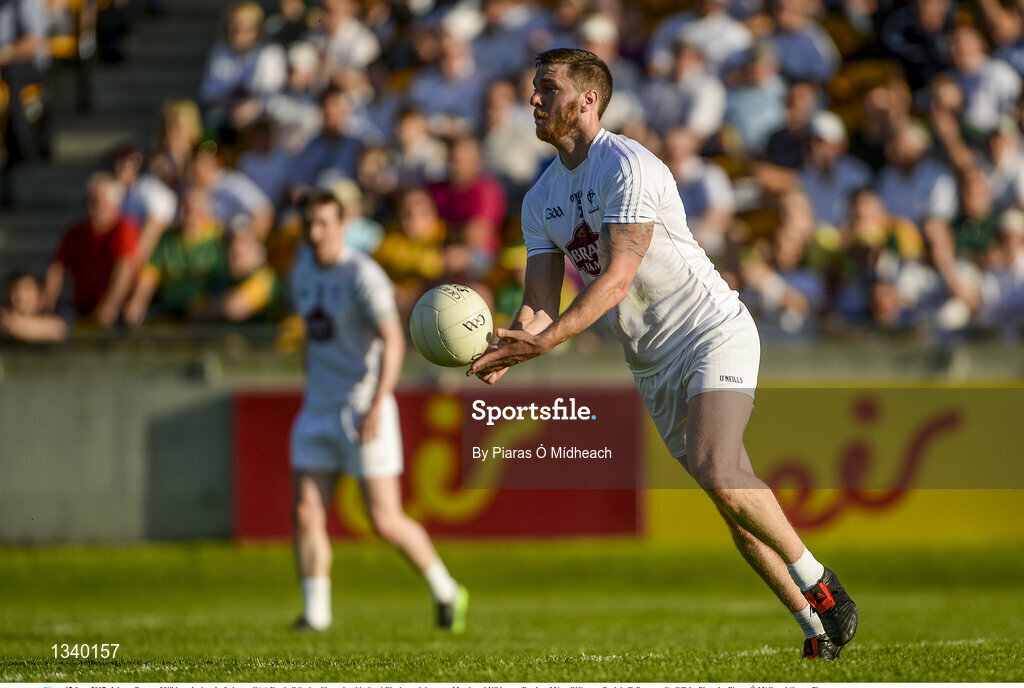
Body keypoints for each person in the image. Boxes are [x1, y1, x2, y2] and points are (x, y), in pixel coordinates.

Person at [467, 48, 858, 659]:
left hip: (709, 329)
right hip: (651, 360)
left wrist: (546, 340)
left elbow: (616, 280)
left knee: (719, 471)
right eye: (534, 88)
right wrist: (508, 345)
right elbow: (538, 303)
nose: (534, 99)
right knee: (730, 500)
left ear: (588, 99)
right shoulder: (539, 197)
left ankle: (820, 582)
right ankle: (816, 630)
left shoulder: (628, 166)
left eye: (547, 88)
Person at [287, 190, 468, 632]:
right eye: (309, 224)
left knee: (384, 520)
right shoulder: (302, 269)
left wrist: (376, 403)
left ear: (342, 225)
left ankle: (447, 590)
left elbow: (393, 339)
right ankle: (316, 615)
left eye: (324, 223)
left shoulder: (362, 275)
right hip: (317, 408)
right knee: (306, 512)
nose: (315, 233)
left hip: (364, 407)